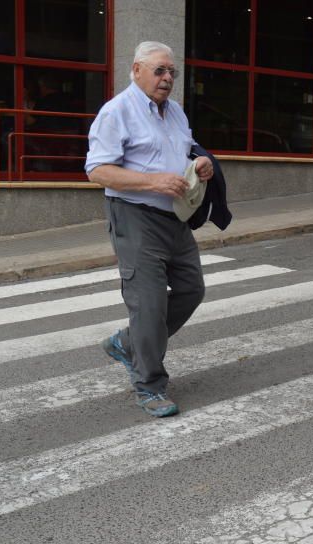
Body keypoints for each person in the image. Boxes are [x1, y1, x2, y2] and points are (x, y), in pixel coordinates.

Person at [85, 41, 213, 417]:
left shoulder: (175, 112)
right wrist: (152, 182)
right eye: (159, 70)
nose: (168, 78)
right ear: (137, 69)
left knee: (192, 289)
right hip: (135, 215)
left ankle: (127, 344)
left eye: (171, 71)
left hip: (175, 216)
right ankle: (150, 385)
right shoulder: (116, 111)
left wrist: (200, 163)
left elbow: (182, 152)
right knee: (150, 306)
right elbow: (97, 170)